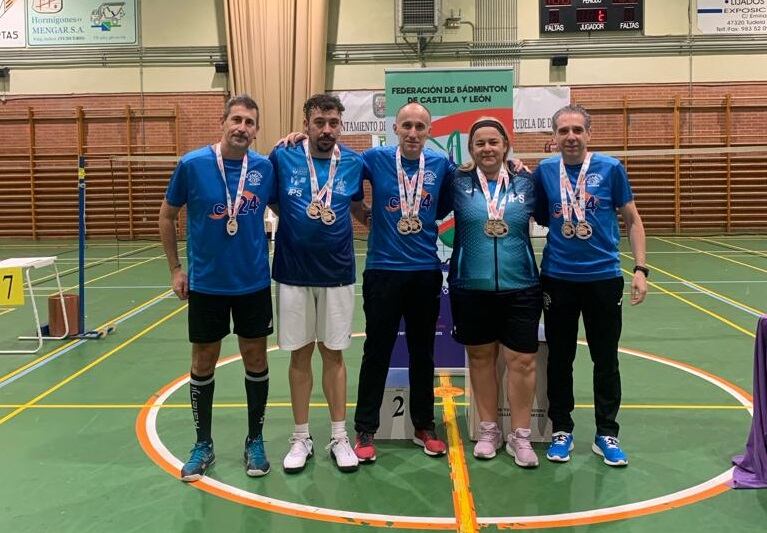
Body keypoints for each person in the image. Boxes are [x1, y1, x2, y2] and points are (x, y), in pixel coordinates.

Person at [158, 94, 276, 481]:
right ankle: (202, 444)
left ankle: (254, 440)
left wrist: (295, 138)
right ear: (223, 122)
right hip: (207, 284)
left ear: (256, 131)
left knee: (256, 360)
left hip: (252, 283)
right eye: (237, 120)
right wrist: (176, 268)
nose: (243, 128)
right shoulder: (192, 165)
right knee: (203, 362)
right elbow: (167, 213)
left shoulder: (264, 167)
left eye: (250, 123)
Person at [533, 104, 648, 467]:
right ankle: (562, 429)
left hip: (603, 279)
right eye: (563, 131)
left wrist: (641, 269)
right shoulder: (545, 171)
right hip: (558, 278)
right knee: (560, 359)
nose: (570, 137)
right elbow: (533, 212)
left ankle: (606, 433)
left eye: (577, 130)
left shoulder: (611, 168)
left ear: (588, 134)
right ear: (554, 137)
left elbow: (632, 220)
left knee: (606, 358)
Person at [352, 102, 455, 463]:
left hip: (425, 271)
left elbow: (444, 205)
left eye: (420, 127)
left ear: (429, 132)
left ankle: (424, 425)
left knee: (423, 352)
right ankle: (365, 427)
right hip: (382, 270)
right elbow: (339, 173)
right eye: (407, 125)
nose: (413, 133)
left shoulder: (441, 165)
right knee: (376, 350)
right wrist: (364, 215)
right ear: (395, 128)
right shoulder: (374, 158)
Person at [268, 94, 364, 474]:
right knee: (299, 355)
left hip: (337, 272)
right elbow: (275, 202)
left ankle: (339, 436)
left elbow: (356, 204)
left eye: (333, 123)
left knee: (335, 354)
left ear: (341, 125)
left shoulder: (354, 162)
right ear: (305, 124)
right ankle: (301, 436)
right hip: (292, 272)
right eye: (319, 122)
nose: (326, 130)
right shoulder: (283, 155)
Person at [444, 117, 542, 467]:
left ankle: (521, 436)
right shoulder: (455, 181)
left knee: (523, 361)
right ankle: (489, 430)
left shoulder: (527, 182)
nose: (487, 148)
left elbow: (549, 216)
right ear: (471, 149)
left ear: (505, 146)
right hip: (471, 286)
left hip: (522, 286)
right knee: (481, 360)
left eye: (493, 142)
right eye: (480, 143)